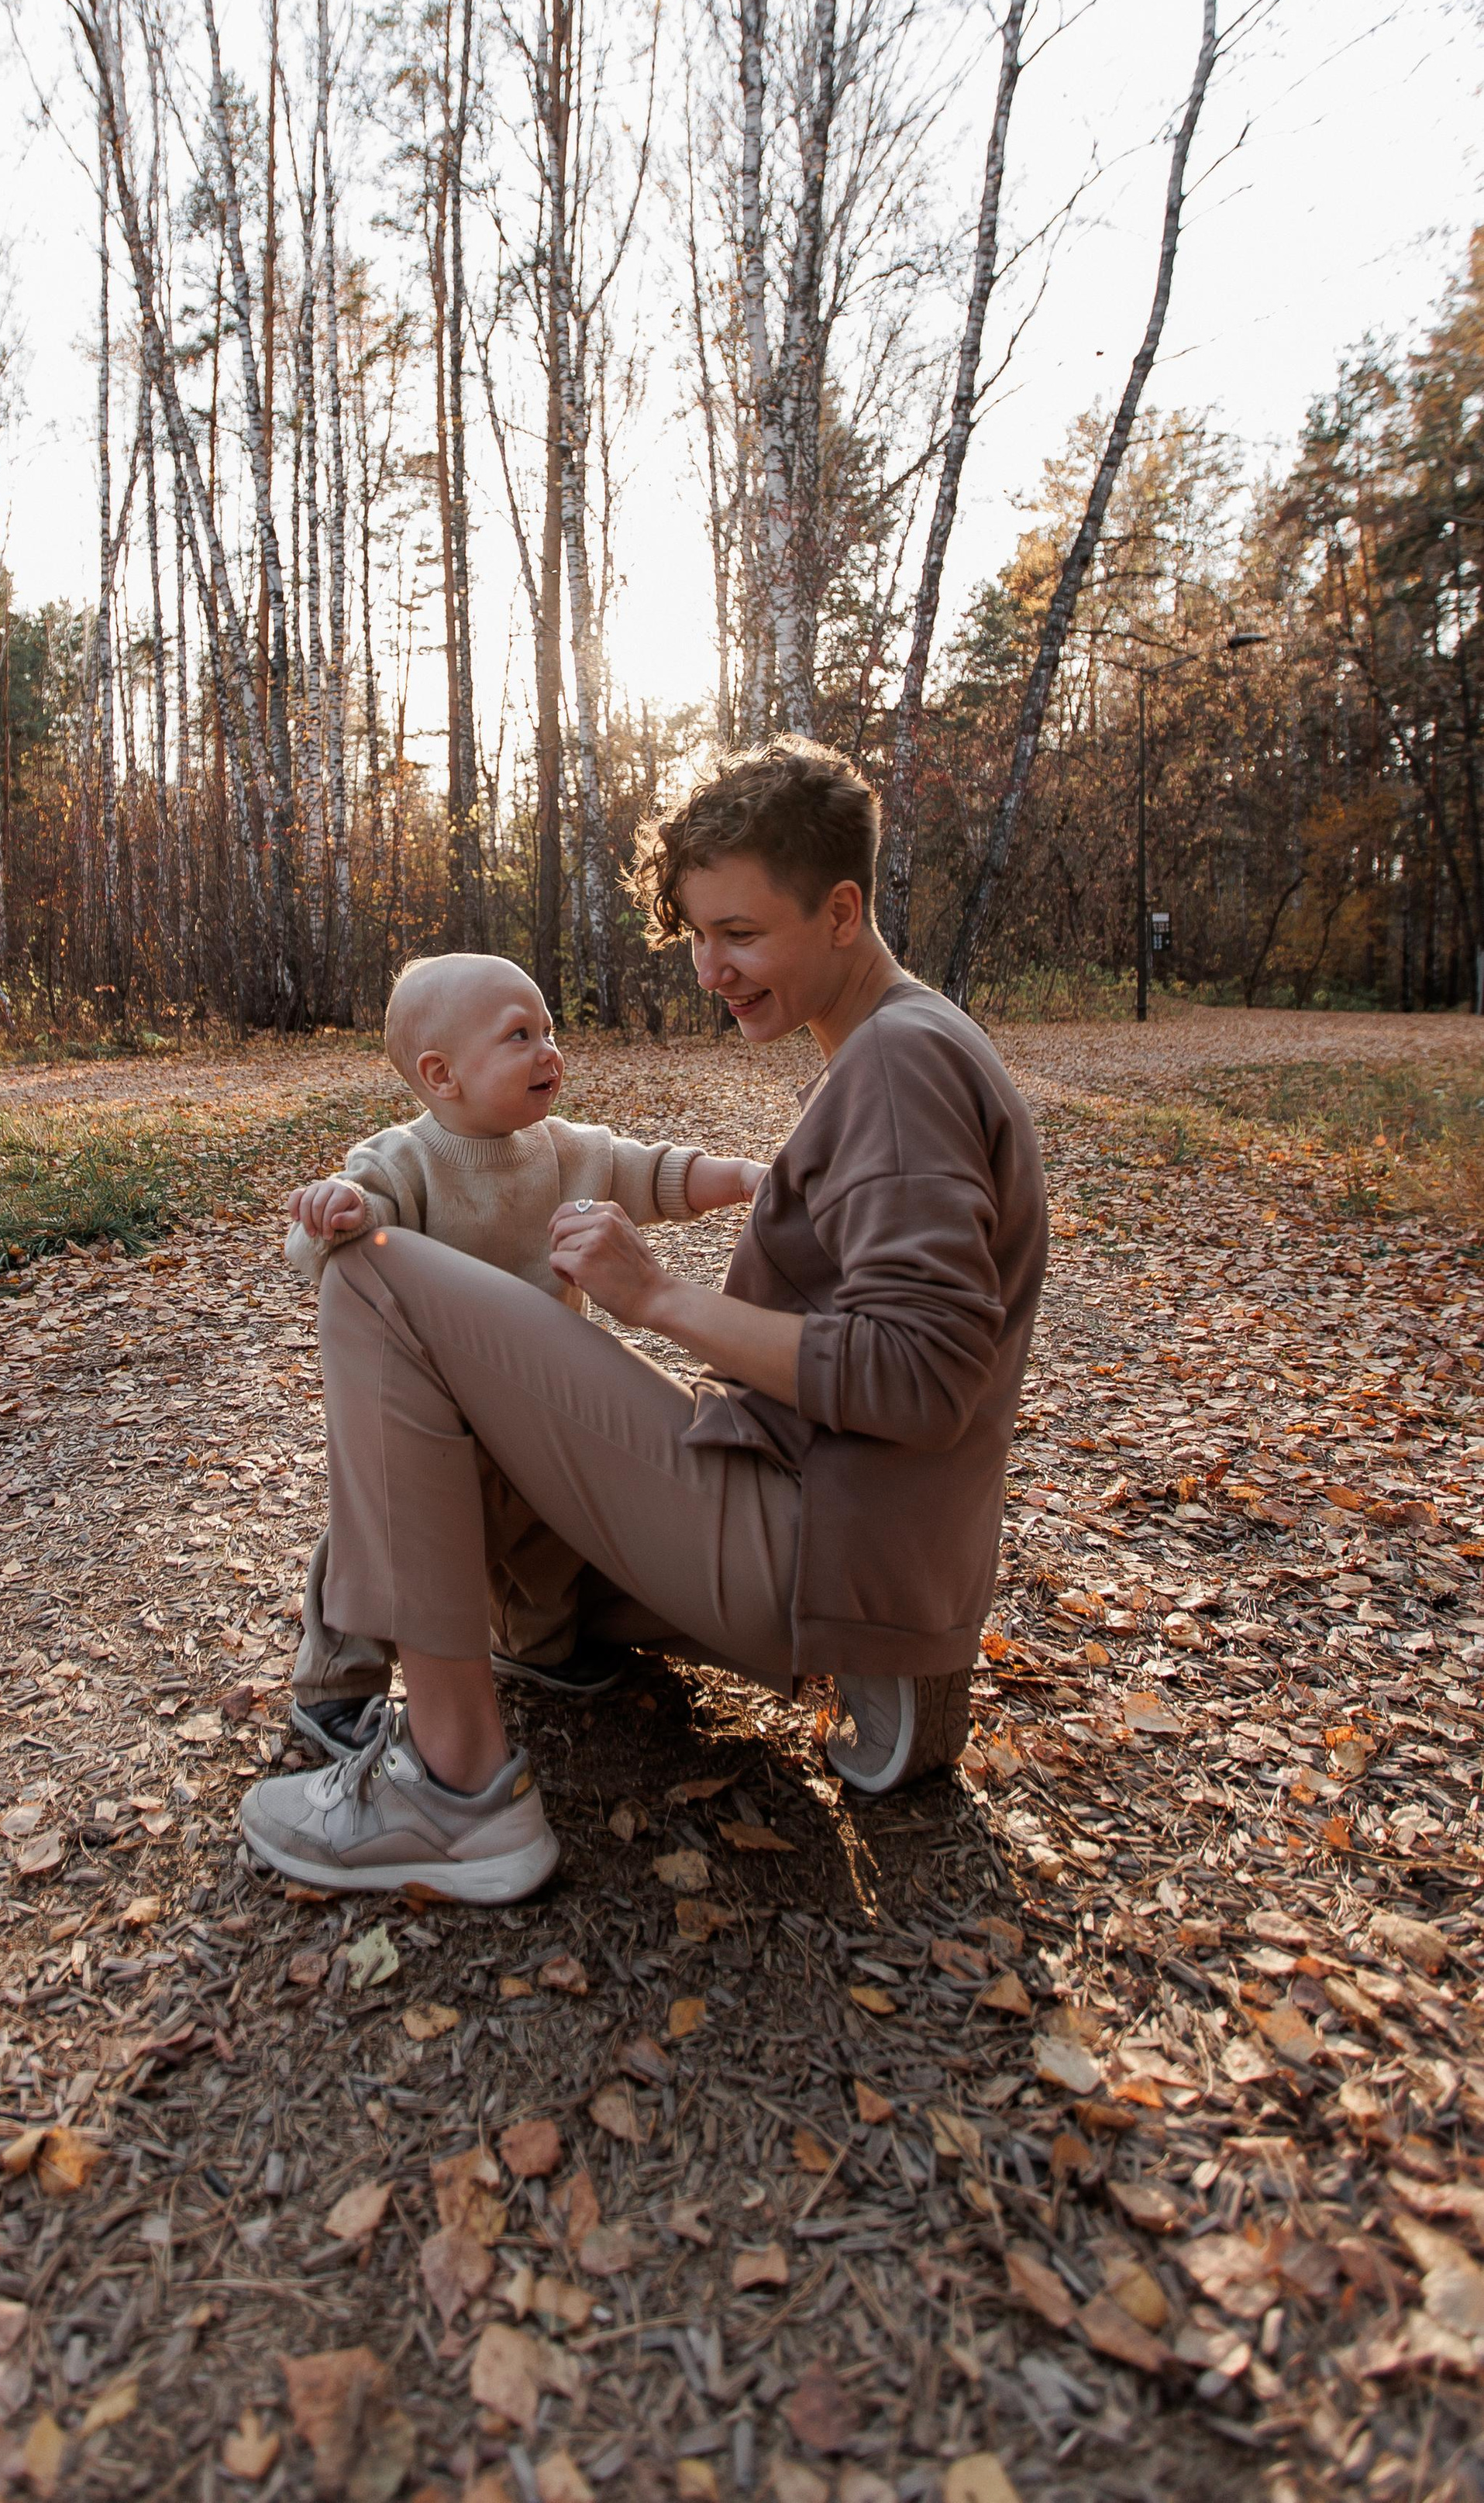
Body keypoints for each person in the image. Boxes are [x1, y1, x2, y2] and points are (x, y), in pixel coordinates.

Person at [240, 739, 1048, 1905]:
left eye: (740, 932)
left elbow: (923, 1377)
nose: (711, 967)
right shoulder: (909, 1041)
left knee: (371, 1274)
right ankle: (860, 1650)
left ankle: (457, 1789)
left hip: (804, 1541)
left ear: (840, 912)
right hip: (857, 1543)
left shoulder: (897, 1066)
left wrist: (657, 1299)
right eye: (697, 934)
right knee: (510, 1564)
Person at [281, 952, 768, 1755]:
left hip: (538, 1415)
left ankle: (536, 1647)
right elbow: (341, 1251)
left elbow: (655, 1172)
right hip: (433, 1427)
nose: (549, 1051)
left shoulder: (564, 1149)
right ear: (441, 1075)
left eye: (549, 1030)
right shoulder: (402, 1162)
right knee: (384, 1541)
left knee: (547, 1541)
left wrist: (745, 1177)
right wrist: (336, 1212)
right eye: (520, 1036)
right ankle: (336, 1684)